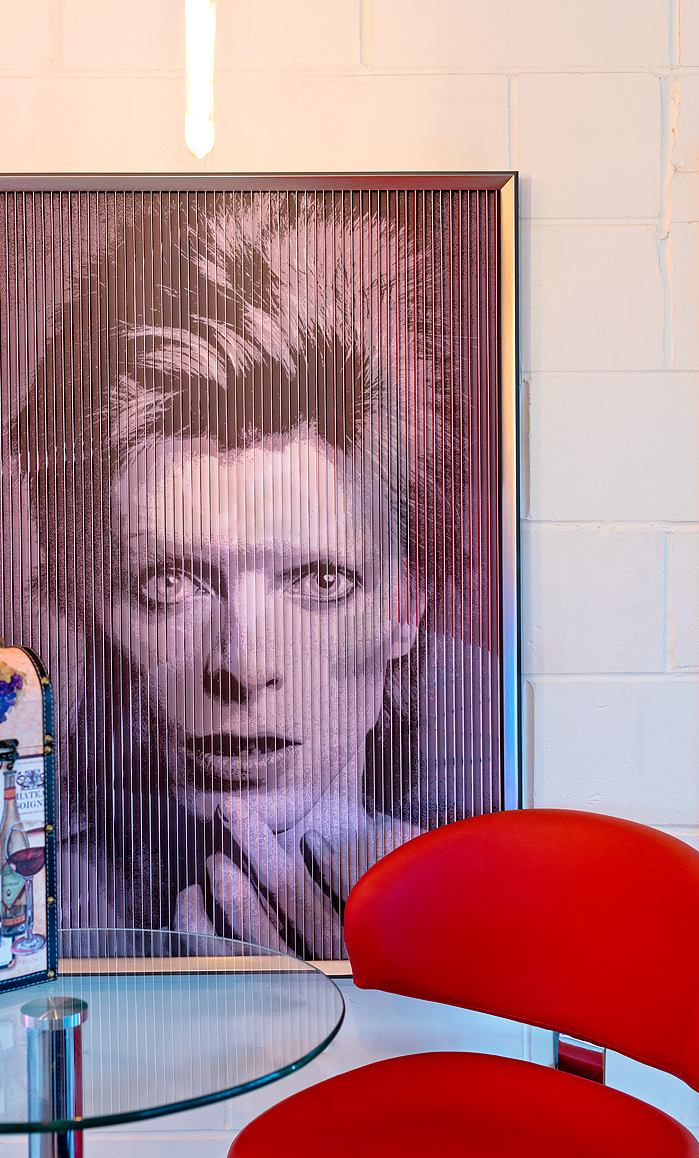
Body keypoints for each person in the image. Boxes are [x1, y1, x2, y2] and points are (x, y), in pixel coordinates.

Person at [27, 189, 480, 959]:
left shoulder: (485, 905)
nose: (240, 664)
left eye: (321, 580)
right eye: (170, 582)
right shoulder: (40, 918)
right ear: (95, 602)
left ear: (408, 602)